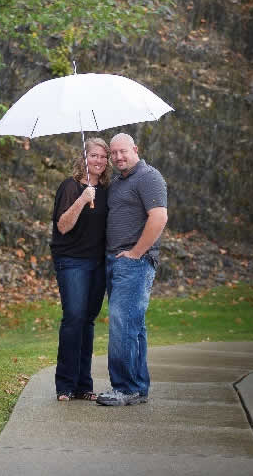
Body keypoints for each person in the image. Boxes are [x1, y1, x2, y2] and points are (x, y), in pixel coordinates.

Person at [96, 132, 168, 407]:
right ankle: (137, 387)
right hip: (116, 262)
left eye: (122, 151)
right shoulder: (117, 182)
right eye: (113, 154)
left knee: (122, 324)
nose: (117, 157)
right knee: (133, 326)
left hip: (135, 263)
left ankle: (124, 388)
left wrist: (136, 253)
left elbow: (159, 217)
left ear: (135, 149)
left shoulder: (149, 177)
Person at [51, 137, 110, 401]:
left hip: (99, 263)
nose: (99, 160)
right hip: (72, 261)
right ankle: (64, 384)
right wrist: (83, 199)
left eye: (103, 156)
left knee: (87, 321)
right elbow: (63, 226)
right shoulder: (71, 186)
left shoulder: (109, 189)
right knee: (74, 318)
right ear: (83, 159)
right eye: (94, 155)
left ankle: (83, 385)